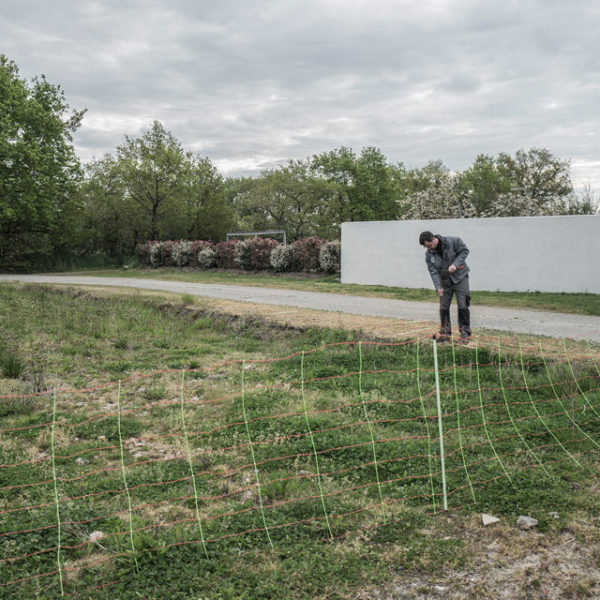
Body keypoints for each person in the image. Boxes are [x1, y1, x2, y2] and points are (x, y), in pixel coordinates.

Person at [418, 231, 471, 343]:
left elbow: (465, 251)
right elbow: (433, 272)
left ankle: (464, 334)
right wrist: (438, 287)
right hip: (445, 281)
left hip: (460, 277)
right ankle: (445, 333)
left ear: (433, 239)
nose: (429, 249)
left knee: (463, 305)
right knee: (443, 307)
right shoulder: (429, 255)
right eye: (426, 247)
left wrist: (455, 265)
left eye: (430, 246)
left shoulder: (453, 241)